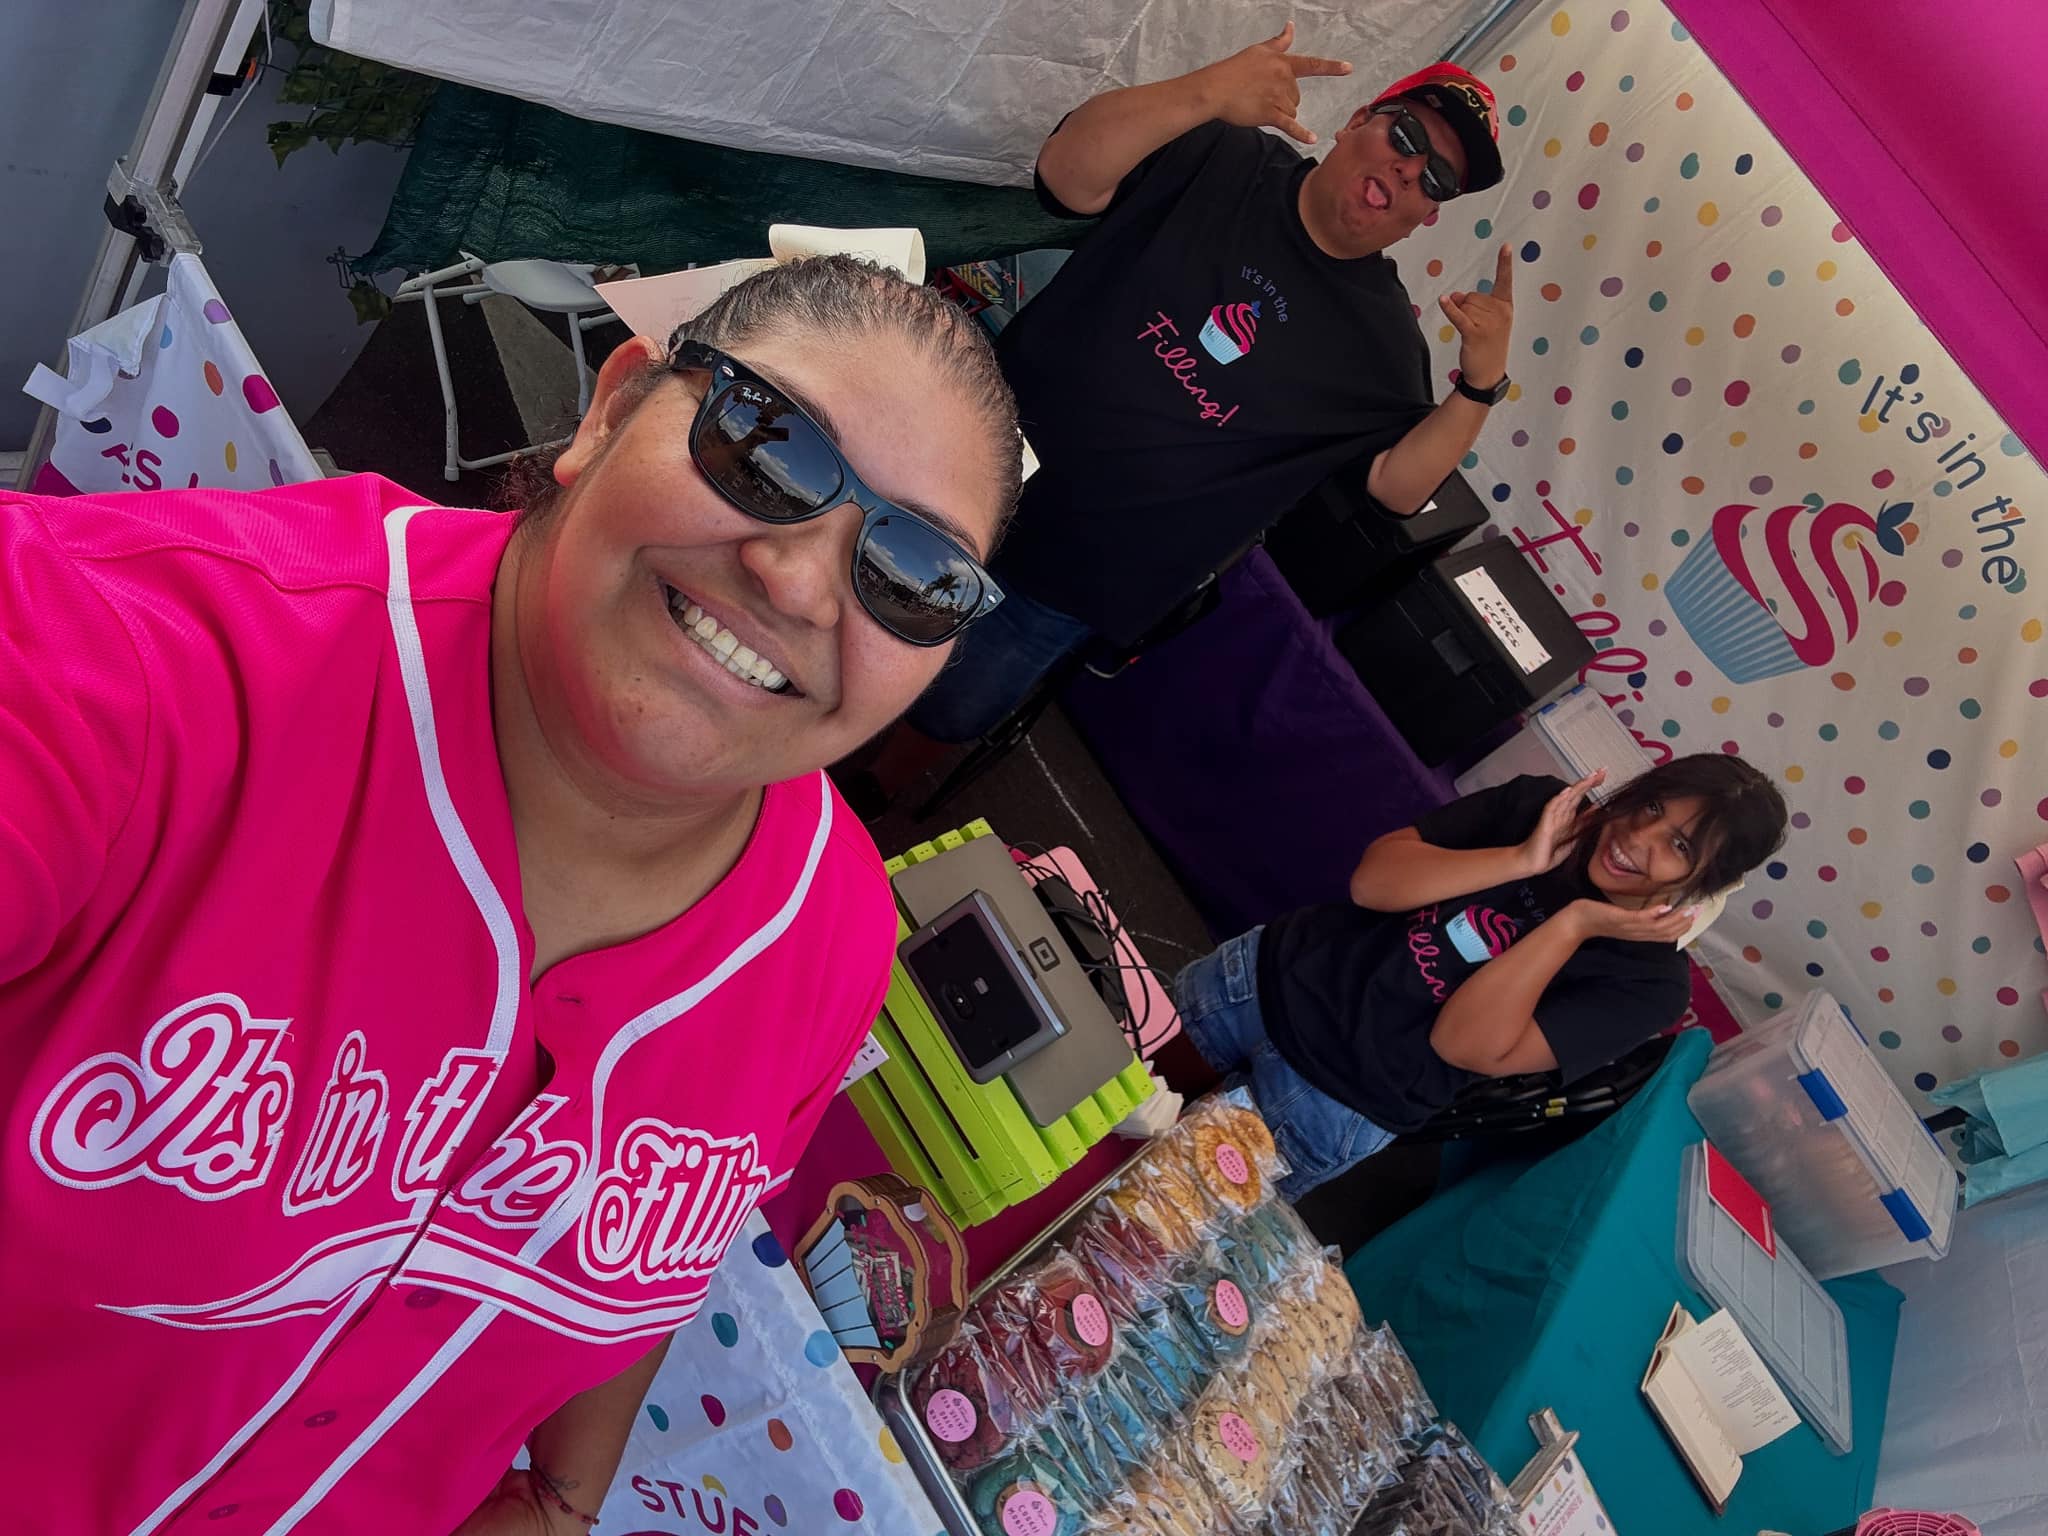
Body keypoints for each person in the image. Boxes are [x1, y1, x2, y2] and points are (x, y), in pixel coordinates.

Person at [0, 256, 1019, 1534]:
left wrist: (561, 1498)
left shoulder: (830, 932)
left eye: (914, 578)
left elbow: (655, 1249)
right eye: (766, 447)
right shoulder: (136, 661)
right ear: (613, 408)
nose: (800, 579)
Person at [905, 28, 1517, 745]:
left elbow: (1396, 491)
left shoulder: (1385, 347)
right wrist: (1202, 93)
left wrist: (1481, 385)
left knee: (935, 715)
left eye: (1437, 178)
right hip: (955, 467)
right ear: (1358, 120)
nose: (1410, 169)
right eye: (1405, 134)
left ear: (1428, 216)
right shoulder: (1221, 155)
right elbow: (1066, 172)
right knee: (821, 620)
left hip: (1067, 584)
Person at [1173, 756, 1790, 1198]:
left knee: (1152, 1225)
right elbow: (1373, 883)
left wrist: (1573, 924)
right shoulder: (1543, 808)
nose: (1638, 837)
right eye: (1651, 806)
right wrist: (1521, 859)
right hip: (1255, 986)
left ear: (1703, 884)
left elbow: (1463, 1044)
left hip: (1330, 1102)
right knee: (1117, 1089)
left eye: (1679, 846)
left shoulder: (1652, 984)